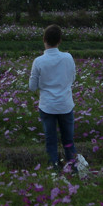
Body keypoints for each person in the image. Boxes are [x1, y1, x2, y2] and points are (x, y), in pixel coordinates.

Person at [29, 24, 76, 170]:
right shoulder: (68, 57)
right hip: (65, 105)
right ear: (60, 41)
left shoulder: (39, 61)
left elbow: (32, 87)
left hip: (48, 106)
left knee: (51, 141)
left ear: (44, 39)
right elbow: (72, 78)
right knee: (68, 140)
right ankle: (73, 168)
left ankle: (54, 170)